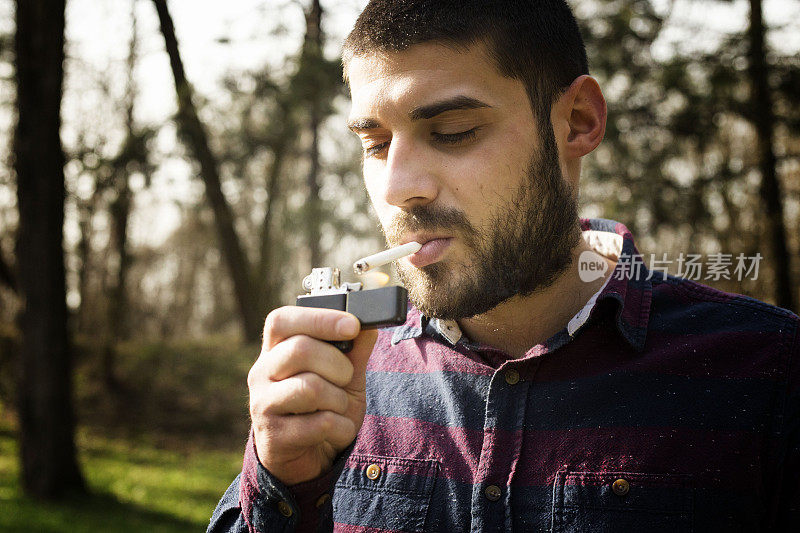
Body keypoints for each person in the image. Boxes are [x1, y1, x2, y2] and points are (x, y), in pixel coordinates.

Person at [208, 1, 800, 531]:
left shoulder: (769, 372)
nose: (398, 188)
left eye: (452, 132)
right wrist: (283, 486)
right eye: (375, 144)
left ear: (578, 122)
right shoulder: (342, 372)